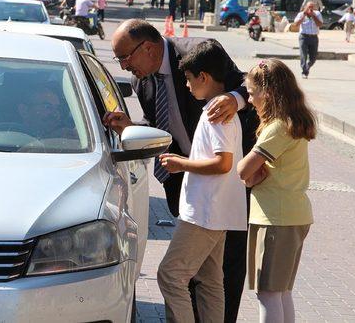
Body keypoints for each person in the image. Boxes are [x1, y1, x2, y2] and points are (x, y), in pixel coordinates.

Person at [103, 19, 259, 323]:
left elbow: (251, 84)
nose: (123, 67)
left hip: (228, 185)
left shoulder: (198, 53)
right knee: (206, 275)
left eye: (125, 57)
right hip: (192, 189)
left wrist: (233, 98)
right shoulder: (142, 81)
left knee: (209, 270)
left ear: (146, 47)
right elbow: (161, 127)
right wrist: (131, 127)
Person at [156, 40, 247, 323]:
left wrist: (180, 163)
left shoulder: (214, 114)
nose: (186, 85)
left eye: (189, 79)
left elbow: (223, 163)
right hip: (217, 210)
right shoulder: (220, 111)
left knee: (170, 275)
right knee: (209, 280)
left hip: (204, 212)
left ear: (204, 77)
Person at [237, 59, 316, 323]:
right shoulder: (292, 122)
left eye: (251, 93)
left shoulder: (277, 127)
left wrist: (248, 174)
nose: (249, 100)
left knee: (268, 293)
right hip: (291, 214)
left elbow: (243, 170)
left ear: (267, 94)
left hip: (274, 217)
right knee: (281, 293)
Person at [293, 2, 323, 79]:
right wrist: (304, 15)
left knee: (313, 57)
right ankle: (304, 72)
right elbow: (296, 24)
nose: (310, 8)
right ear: (306, 7)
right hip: (303, 37)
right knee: (303, 55)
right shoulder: (301, 14)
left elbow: (320, 24)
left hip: (314, 37)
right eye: (309, 7)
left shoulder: (317, 14)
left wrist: (314, 16)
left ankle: (307, 66)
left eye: (312, 7)